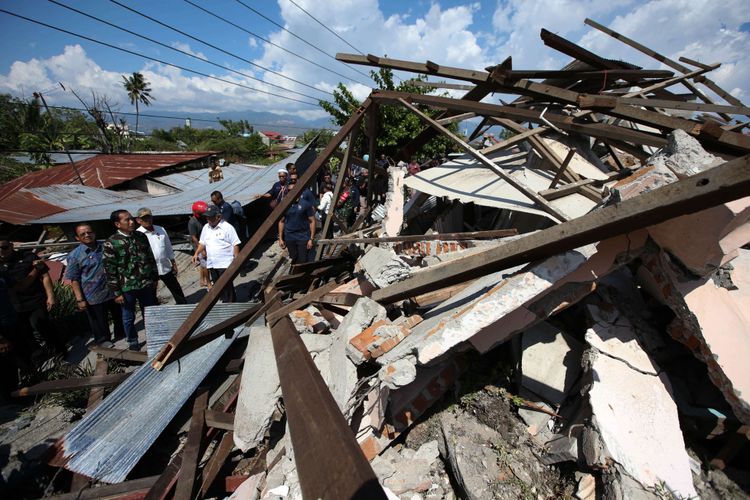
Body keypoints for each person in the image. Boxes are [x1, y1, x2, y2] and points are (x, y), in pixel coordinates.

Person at [0, 237, 63, 362]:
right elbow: (19, 286)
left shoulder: (28, 256)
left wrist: (50, 296)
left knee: (41, 325)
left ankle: (59, 350)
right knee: (25, 334)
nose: (1, 251)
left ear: (11, 246)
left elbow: (45, 275)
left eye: (4, 247)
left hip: (35, 300)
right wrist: (36, 270)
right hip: (14, 306)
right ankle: (39, 355)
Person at [103, 210, 158, 351]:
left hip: (145, 283)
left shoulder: (140, 236)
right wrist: (117, 292)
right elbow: (110, 270)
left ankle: (154, 337)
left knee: (150, 312)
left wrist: (154, 277)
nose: (131, 222)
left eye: (131, 219)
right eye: (127, 220)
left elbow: (150, 258)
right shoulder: (111, 243)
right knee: (128, 316)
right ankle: (133, 341)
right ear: (117, 224)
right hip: (127, 287)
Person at [65, 223, 124, 348]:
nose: (87, 235)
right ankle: (103, 340)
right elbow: (74, 279)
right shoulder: (74, 256)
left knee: (118, 314)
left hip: (112, 289)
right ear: (77, 238)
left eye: (89, 232)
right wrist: (79, 299)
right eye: (83, 234)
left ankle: (121, 333)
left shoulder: (105, 246)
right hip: (93, 294)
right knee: (98, 320)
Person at [135, 207, 187, 305]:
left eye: (149, 217)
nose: (148, 220)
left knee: (175, 288)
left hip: (164, 265)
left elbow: (168, 247)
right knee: (151, 294)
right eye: (144, 218)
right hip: (149, 270)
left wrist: (173, 262)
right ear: (139, 220)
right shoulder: (137, 234)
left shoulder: (160, 229)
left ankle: (183, 306)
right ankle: (156, 313)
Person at [192, 205, 240, 303]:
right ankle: (224, 302)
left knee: (227, 287)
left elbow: (235, 244)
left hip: (225, 264)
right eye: (206, 217)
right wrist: (196, 253)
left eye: (210, 217)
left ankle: (232, 305)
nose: (207, 219)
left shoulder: (227, 227)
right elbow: (202, 243)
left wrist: (237, 260)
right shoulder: (206, 227)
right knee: (218, 286)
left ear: (218, 217)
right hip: (212, 263)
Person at [278, 176, 315, 264]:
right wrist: (280, 238)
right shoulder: (284, 205)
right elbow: (281, 221)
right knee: (293, 258)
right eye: (289, 191)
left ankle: (302, 275)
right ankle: (295, 275)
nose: (291, 193)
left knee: (303, 260)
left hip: (303, 236)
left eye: (293, 190)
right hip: (290, 237)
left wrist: (311, 239)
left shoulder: (305, 204)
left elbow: (312, 221)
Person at [189, 201, 211, 289]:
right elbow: (194, 237)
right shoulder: (192, 222)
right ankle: (208, 282)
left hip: (205, 243)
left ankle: (202, 281)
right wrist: (202, 249)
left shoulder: (202, 219)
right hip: (199, 245)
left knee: (202, 264)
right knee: (205, 264)